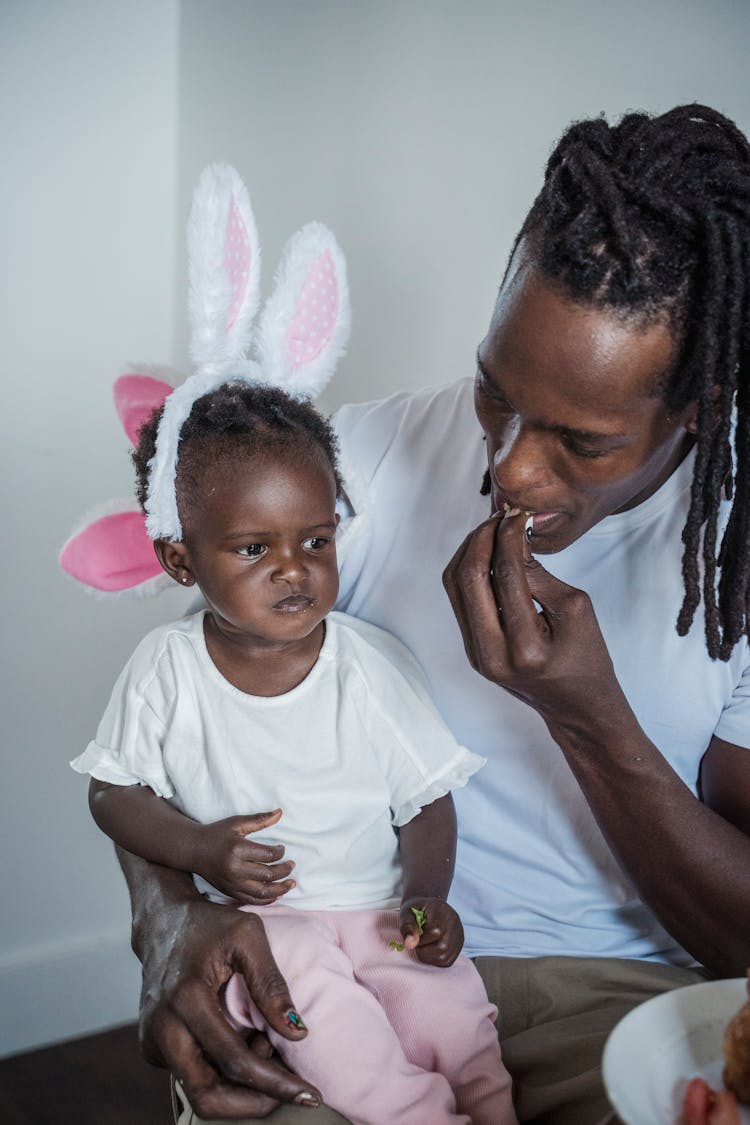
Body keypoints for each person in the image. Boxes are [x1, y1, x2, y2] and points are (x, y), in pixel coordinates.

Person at [112, 104, 750, 1125]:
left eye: (581, 442)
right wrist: (165, 920)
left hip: (622, 1001)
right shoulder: (349, 472)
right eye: (496, 395)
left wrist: (586, 715)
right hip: (349, 961)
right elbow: (169, 715)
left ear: (704, 408)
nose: (510, 465)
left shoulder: (737, 560)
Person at [71, 380, 517, 1125]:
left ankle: (490, 1105)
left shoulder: (369, 666)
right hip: (264, 925)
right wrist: (200, 848)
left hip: (377, 909)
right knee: (337, 1032)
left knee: (451, 1013)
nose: (294, 568)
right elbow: (111, 793)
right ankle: (419, 1114)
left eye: (316, 539)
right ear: (181, 561)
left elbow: (426, 799)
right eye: (254, 548)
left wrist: (427, 896)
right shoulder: (167, 669)